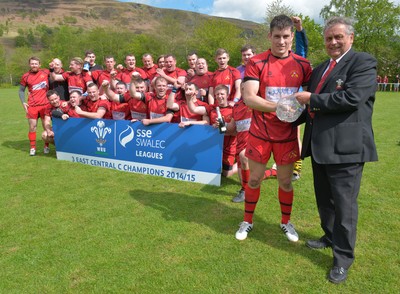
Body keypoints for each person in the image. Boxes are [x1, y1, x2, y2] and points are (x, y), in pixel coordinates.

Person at [294, 16, 378, 284]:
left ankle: (343, 259)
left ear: (350, 38)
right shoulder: (320, 69)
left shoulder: (363, 62)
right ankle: (329, 237)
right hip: (319, 146)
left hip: (346, 149)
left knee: (344, 207)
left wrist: (312, 99)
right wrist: (282, 116)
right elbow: (309, 108)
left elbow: (352, 98)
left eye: (338, 37)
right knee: (325, 201)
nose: (333, 42)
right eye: (329, 38)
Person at [235, 15, 312, 243]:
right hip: (260, 133)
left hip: (287, 135)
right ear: (269, 36)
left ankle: (286, 222)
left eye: (286, 36)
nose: (281, 41)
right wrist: (282, 106)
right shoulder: (256, 62)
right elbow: (249, 98)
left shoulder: (303, 65)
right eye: (277, 36)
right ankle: (247, 220)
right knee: (255, 180)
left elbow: (308, 99)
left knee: (286, 182)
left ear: (291, 36)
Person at [188, 84, 237, 177]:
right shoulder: (211, 108)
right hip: (213, 145)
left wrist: (222, 127)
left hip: (229, 145)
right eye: (217, 94)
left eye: (222, 94)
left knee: (226, 174)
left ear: (227, 95)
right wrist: (189, 98)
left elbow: (234, 131)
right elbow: (193, 109)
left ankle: (240, 162)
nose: (219, 96)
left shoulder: (233, 109)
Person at [19, 56, 50, 156]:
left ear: (39, 64)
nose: (34, 65)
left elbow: (57, 74)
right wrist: (23, 102)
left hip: (45, 105)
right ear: (29, 65)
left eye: (36, 63)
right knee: (32, 127)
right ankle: (33, 148)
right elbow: (21, 90)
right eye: (32, 63)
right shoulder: (25, 76)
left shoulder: (46, 72)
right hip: (32, 106)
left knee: (46, 126)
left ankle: (46, 146)